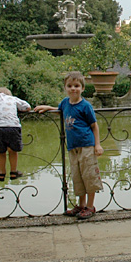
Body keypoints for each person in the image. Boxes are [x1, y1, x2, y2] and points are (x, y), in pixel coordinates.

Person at [33, 71, 104, 220]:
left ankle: (90, 207)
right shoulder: (65, 102)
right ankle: (81, 205)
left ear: (82, 88)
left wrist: (97, 145)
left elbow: (94, 125)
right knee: (77, 177)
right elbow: (61, 112)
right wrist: (47, 107)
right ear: (65, 87)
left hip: (86, 145)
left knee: (89, 176)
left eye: (77, 86)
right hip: (73, 147)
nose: (73, 89)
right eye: (70, 86)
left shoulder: (85, 106)